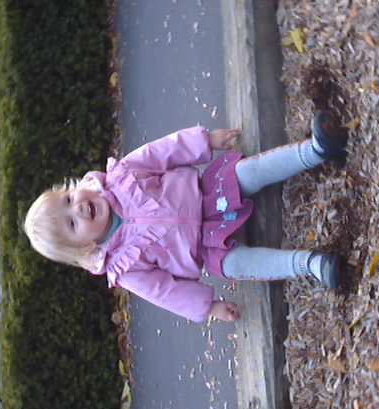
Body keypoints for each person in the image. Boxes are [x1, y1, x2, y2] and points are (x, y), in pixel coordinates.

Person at [24, 112, 348, 323]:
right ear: (84, 247)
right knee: (239, 265)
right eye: (72, 224)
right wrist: (209, 307)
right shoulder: (125, 267)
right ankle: (309, 264)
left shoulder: (122, 177)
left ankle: (315, 150)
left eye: (68, 199)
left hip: (207, 192)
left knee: (247, 172)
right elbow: (164, 291)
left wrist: (204, 142)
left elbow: (161, 152)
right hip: (207, 248)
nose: (78, 208)